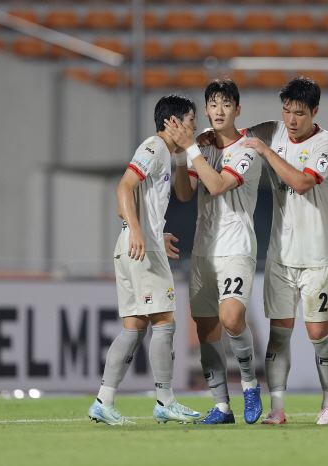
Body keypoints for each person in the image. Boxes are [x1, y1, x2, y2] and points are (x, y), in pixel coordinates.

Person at [88, 94, 201, 426]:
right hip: (139, 247)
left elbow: (181, 194)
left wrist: (151, 231)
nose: (195, 126)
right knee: (164, 321)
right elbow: (124, 188)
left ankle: (103, 402)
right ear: (174, 122)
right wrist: (138, 232)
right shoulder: (154, 147)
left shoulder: (167, 153)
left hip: (135, 245)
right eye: (191, 119)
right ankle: (165, 400)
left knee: (134, 328)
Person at [241, 76, 328, 425]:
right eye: (286, 111)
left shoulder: (327, 143)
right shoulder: (272, 129)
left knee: (318, 334)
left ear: (315, 111)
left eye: (299, 113)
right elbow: (238, 139)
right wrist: (207, 139)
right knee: (279, 333)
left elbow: (301, 183)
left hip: (317, 256)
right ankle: (278, 408)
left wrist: (267, 151)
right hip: (281, 255)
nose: (290, 120)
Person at [165, 78, 264, 425]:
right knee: (206, 330)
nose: (219, 110)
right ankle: (222, 407)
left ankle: (251, 384)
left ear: (238, 110)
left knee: (232, 318)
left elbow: (218, 185)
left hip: (236, 247)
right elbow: (184, 193)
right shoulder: (200, 146)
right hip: (204, 248)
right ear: (206, 109)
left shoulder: (248, 149)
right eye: (213, 104)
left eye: (226, 104)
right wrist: (181, 157)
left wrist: (191, 147)